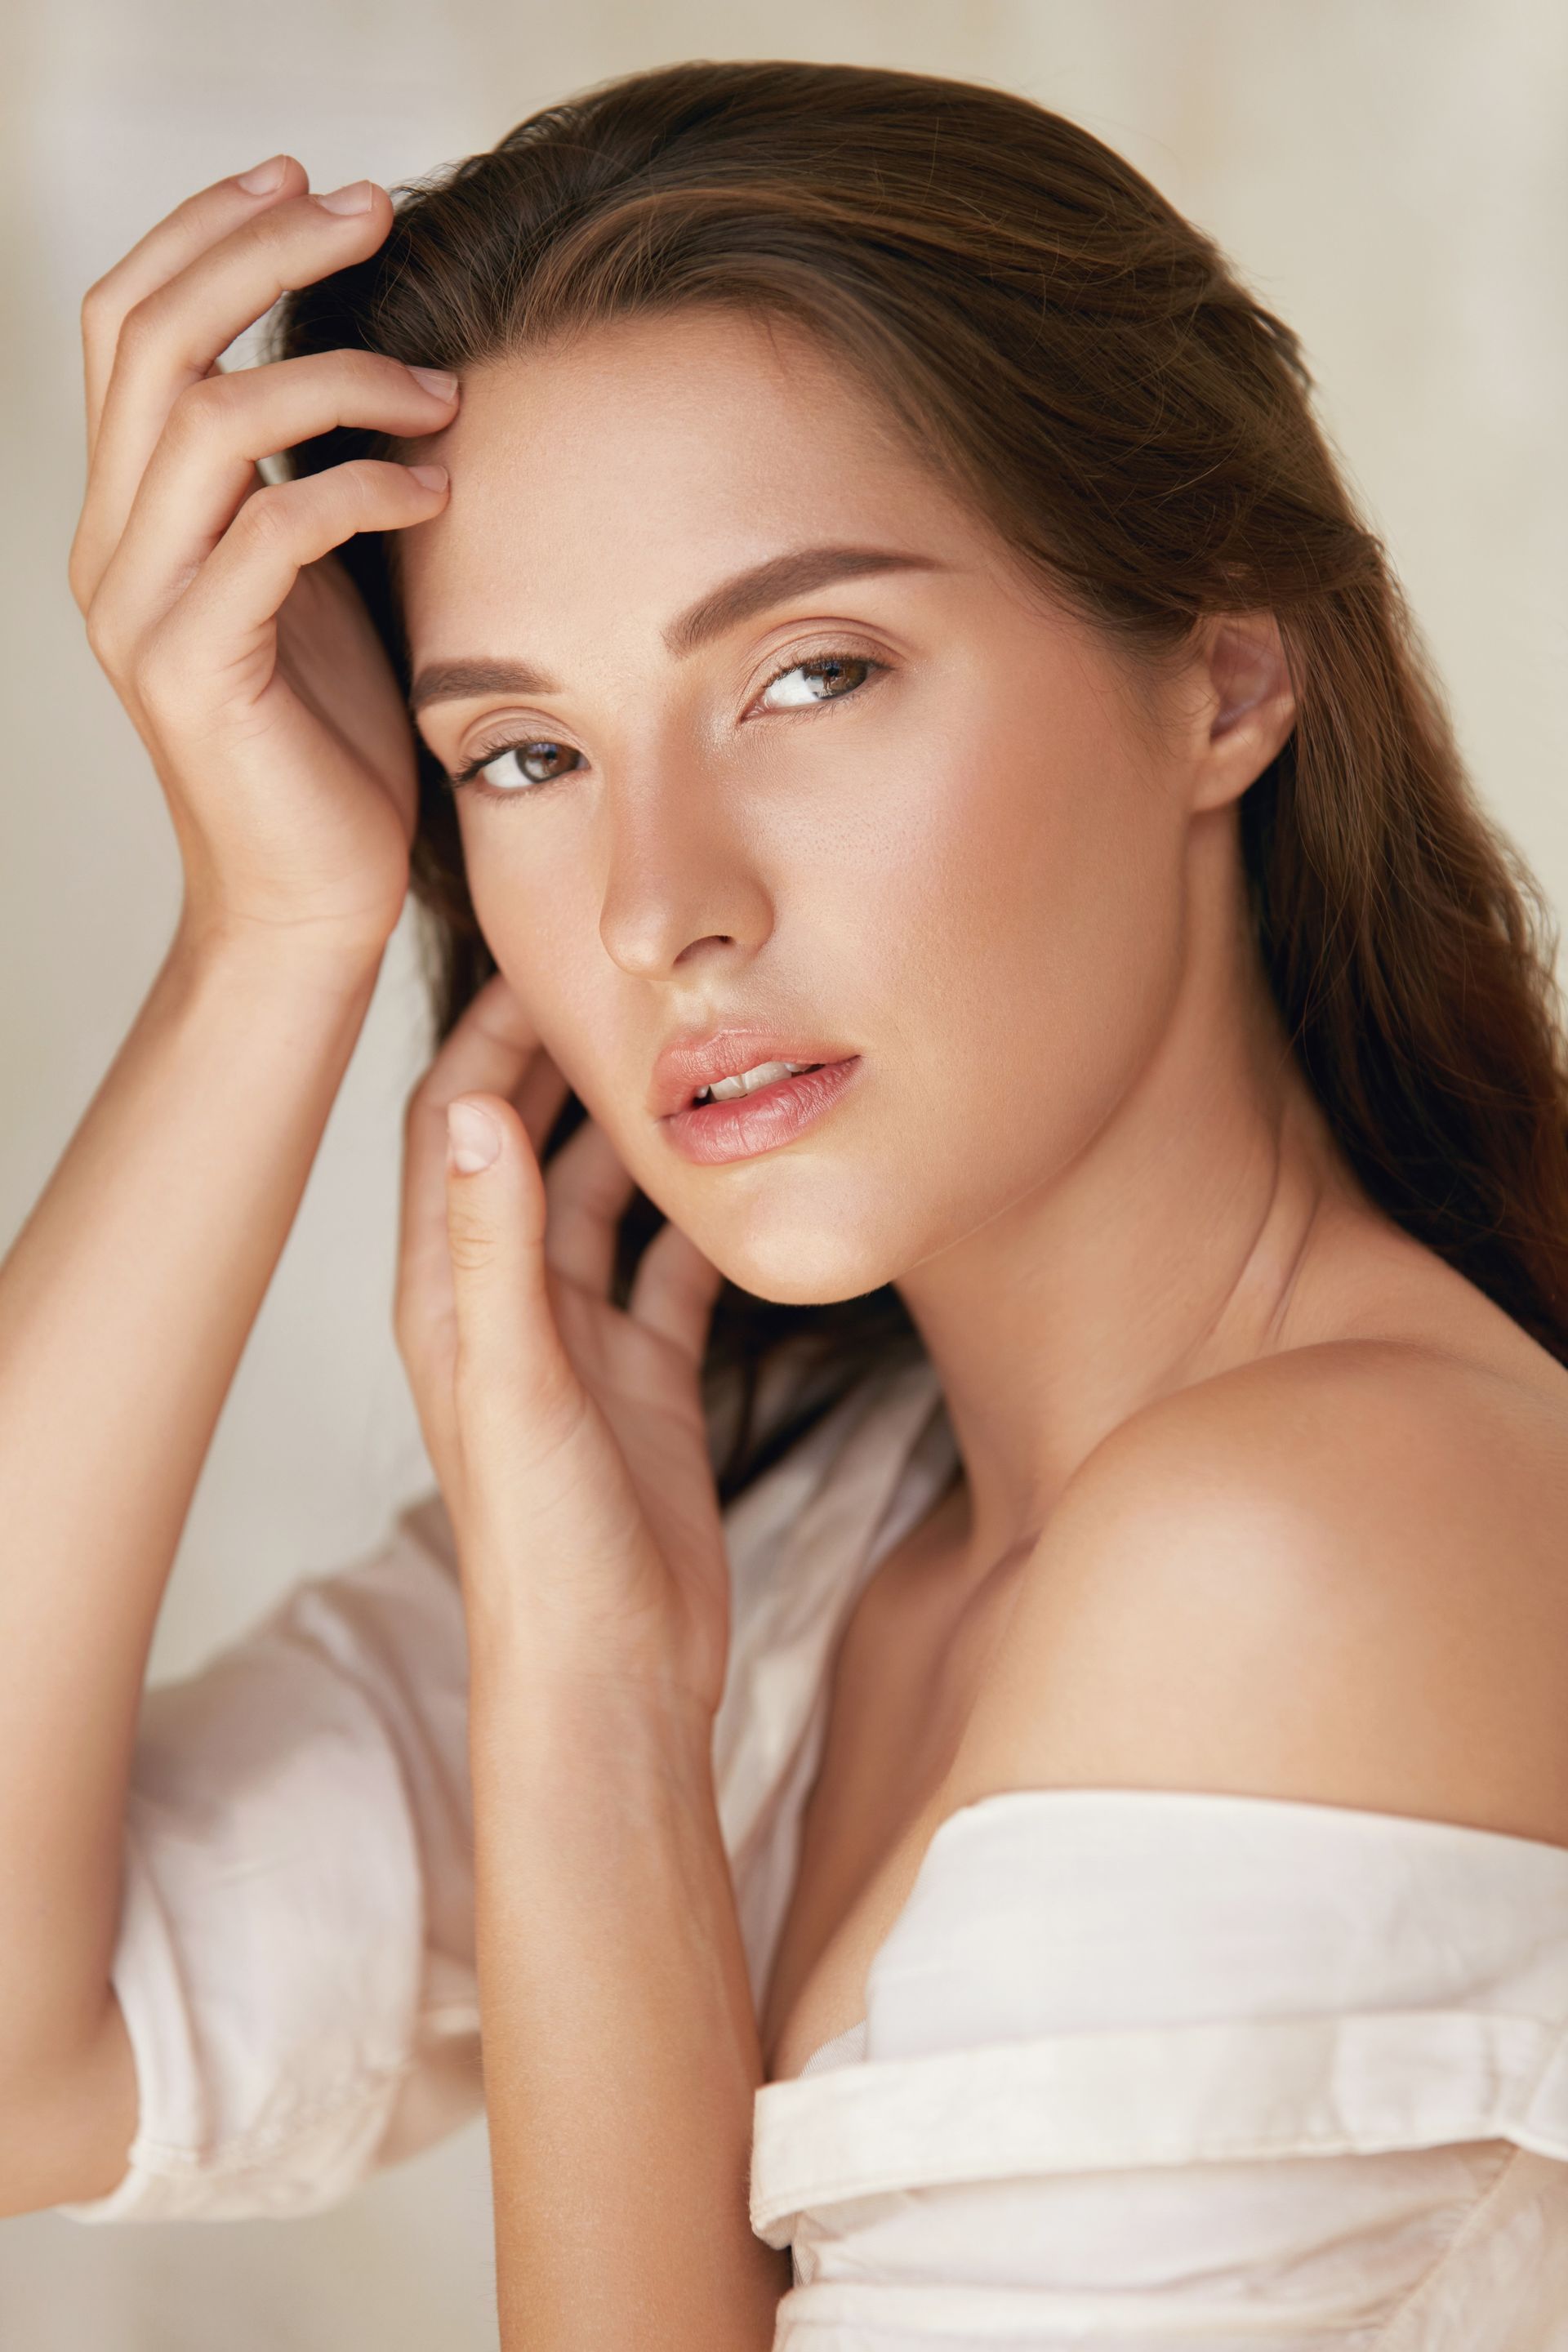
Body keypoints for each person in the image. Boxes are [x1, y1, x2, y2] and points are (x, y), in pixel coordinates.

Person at [4, 53, 1568, 2349]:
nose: (658, 908)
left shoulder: (1322, 1542)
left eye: (810, 674)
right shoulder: (810, 1513)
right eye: (520, 754)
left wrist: (597, 1739)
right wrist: (268, 933)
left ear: (1228, 675)